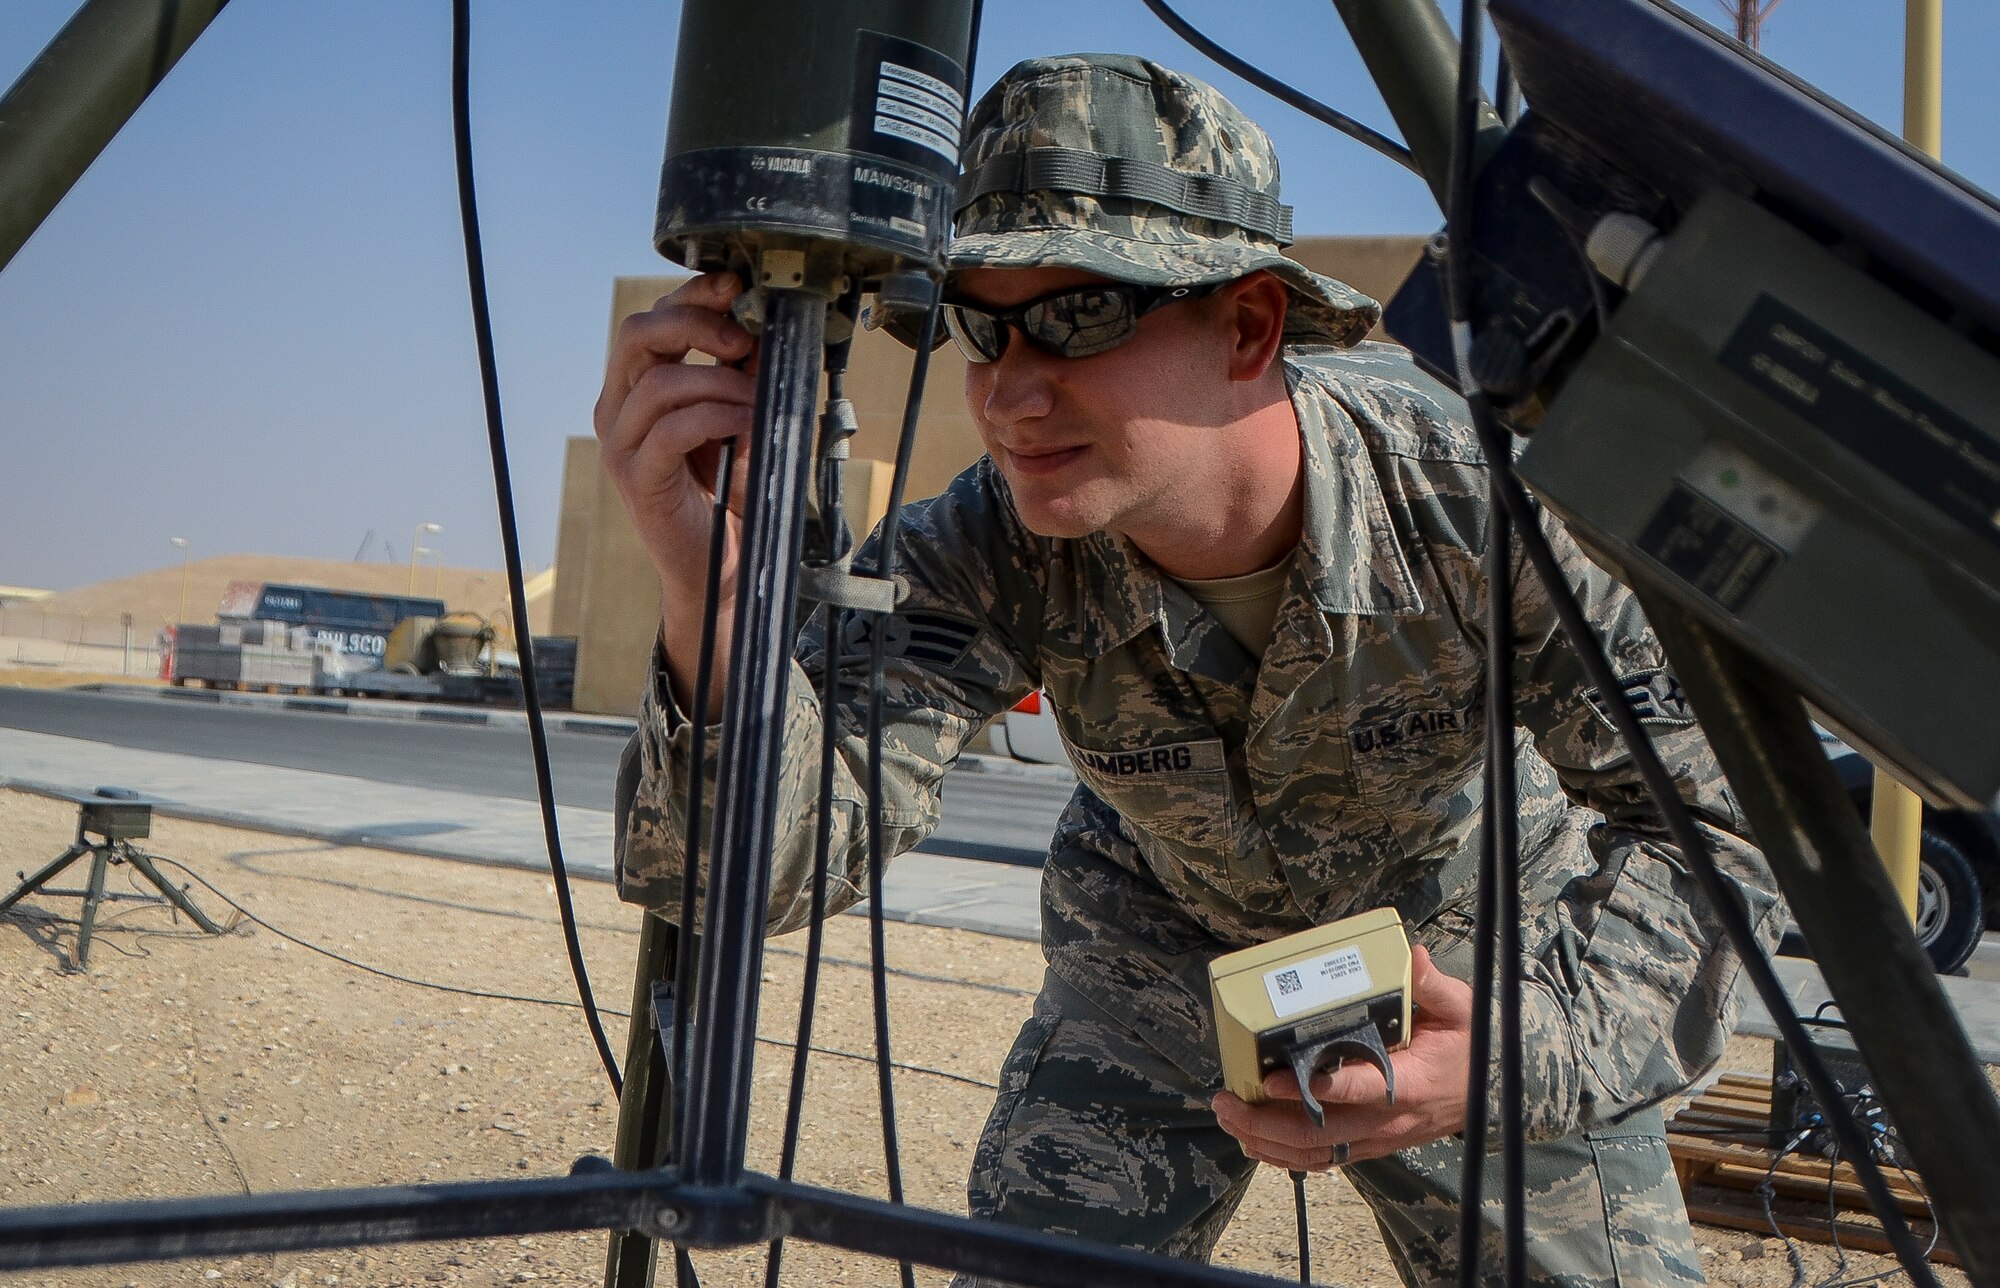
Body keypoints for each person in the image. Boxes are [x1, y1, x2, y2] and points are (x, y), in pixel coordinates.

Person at [598, 52, 1780, 1288]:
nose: (1011, 392)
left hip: (1463, 957)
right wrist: (715, 593)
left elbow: (1726, 823)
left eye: (1079, 314)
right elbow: (735, 876)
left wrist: (1513, 1051)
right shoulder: (983, 548)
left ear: (1250, 324)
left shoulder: (1480, 504)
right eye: (979, 326)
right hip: (1154, 959)